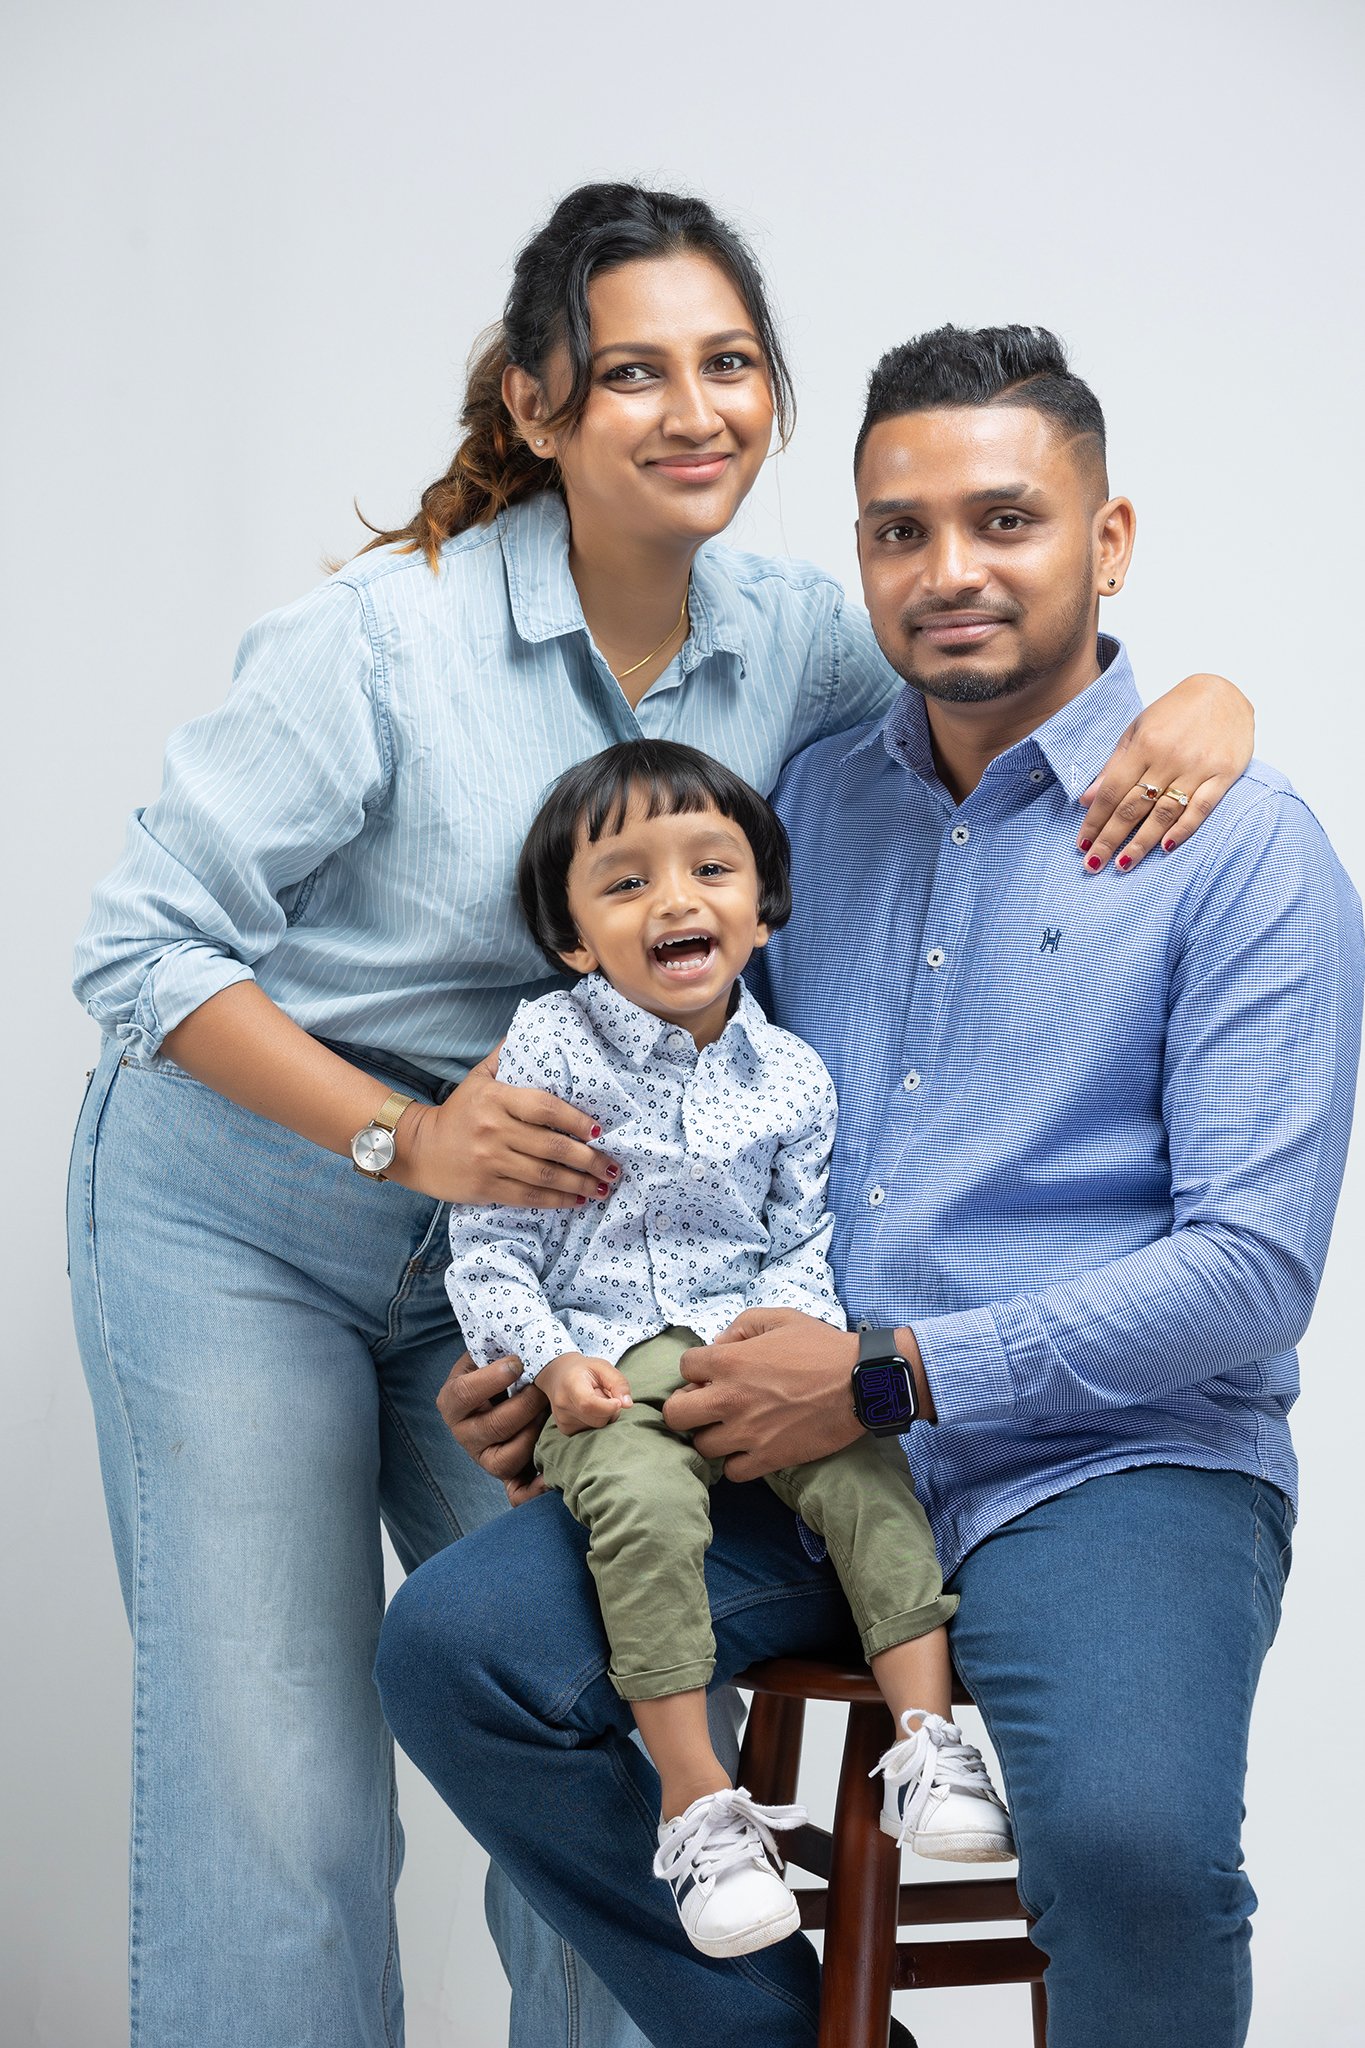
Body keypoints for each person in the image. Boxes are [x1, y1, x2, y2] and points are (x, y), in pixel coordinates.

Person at [68, 169, 1253, 2048]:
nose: (694, 411)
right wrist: (407, 1142)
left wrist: (1206, 700)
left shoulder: (807, 638)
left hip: (574, 1254)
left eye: (730, 364)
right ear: (536, 404)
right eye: (632, 372)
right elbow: (139, 949)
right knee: (280, 1776)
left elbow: (1001, 679)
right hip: (262, 1208)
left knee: (625, 1716)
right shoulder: (379, 640)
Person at [374, 324, 1365, 2048]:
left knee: (1131, 1849)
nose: (948, 569)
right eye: (900, 531)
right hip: (782, 1434)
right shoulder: (804, 815)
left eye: (1006, 521)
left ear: (1110, 540)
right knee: (462, 1655)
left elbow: (1250, 1273)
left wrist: (892, 1376)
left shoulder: (1244, 848)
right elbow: (689, 1124)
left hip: (1110, 1460)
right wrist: (557, 1357)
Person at [446, 736, 1012, 1959]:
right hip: (600, 1362)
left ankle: (931, 1747)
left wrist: (792, 1344)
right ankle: (699, 1803)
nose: (676, 899)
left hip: (751, 1350)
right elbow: (485, 1247)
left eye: (711, 867)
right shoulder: (545, 1047)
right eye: (627, 881)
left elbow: (799, 1238)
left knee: (869, 1470)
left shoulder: (794, 1075)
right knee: (644, 1514)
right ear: (574, 939)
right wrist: (547, 1362)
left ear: (763, 908)